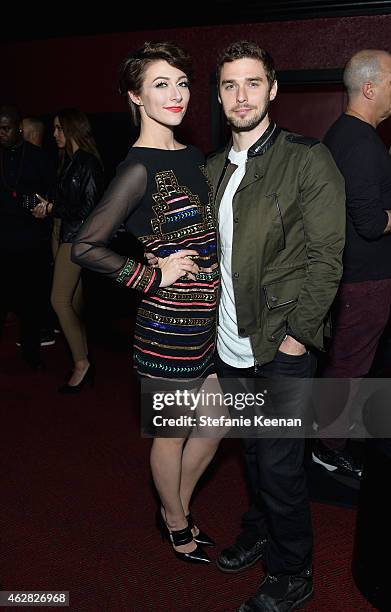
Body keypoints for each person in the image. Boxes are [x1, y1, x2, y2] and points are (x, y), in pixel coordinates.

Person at [206, 41, 346, 610]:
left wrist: (297, 336)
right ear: (219, 95)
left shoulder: (307, 158)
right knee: (256, 455)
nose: (241, 97)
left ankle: (293, 572)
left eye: (252, 84)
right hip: (229, 344)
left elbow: (327, 256)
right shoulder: (213, 167)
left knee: (283, 463)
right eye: (229, 86)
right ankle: (261, 528)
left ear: (273, 89)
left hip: (282, 345)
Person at [72, 42, 220, 564]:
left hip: (207, 321)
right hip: (168, 325)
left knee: (217, 422)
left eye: (182, 83)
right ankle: (177, 522)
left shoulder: (193, 155)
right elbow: (86, 246)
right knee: (173, 434)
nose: (177, 94)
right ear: (135, 96)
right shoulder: (137, 168)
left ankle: (171, 505)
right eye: (161, 84)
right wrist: (149, 274)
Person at [313, 50, 391, 478]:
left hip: (357, 275)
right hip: (365, 279)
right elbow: (371, 222)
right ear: (370, 88)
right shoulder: (359, 143)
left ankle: (335, 433)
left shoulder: (347, 135)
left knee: (350, 361)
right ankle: (328, 447)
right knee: (349, 363)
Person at [35, 108, 104, 392]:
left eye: (59, 128)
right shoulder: (70, 161)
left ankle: (81, 363)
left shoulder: (86, 162)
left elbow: (88, 209)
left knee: (59, 300)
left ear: (72, 128)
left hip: (76, 238)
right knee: (73, 301)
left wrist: (53, 207)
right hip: (61, 233)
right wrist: (48, 206)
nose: (54, 134)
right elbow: (68, 202)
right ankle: (84, 355)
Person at [0, 104, 56, 369]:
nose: (1, 133)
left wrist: (45, 207)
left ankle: (32, 353)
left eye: (6, 128)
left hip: (31, 240)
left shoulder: (37, 157)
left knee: (31, 300)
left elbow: (52, 193)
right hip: (3, 240)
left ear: (19, 128)